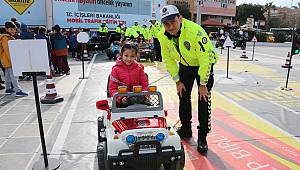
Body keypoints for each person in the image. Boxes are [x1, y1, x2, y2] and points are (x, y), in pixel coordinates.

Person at [157, 5, 218, 153]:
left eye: (173, 22)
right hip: (185, 65)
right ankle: (186, 129)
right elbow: (168, 59)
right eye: (166, 24)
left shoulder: (195, 32)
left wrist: (203, 83)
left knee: (203, 100)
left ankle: (202, 137)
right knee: (183, 95)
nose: (170, 27)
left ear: (180, 18)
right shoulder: (162, 36)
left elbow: (206, 59)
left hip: (203, 65)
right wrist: (177, 80)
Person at [0, 22, 28, 96]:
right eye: (11, 29)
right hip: (9, 59)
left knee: (8, 76)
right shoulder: (6, 38)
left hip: (5, 60)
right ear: (6, 29)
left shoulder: (6, 37)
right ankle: (17, 90)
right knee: (14, 75)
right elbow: (7, 50)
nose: (13, 31)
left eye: (14, 29)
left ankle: (8, 89)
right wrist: (13, 60)